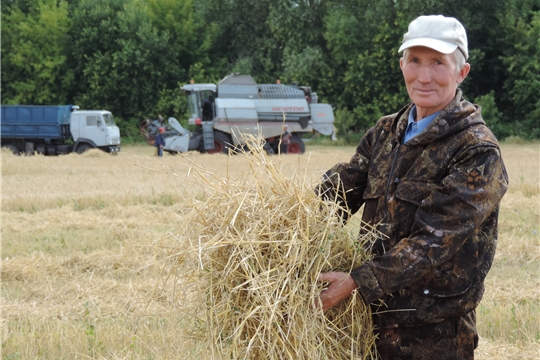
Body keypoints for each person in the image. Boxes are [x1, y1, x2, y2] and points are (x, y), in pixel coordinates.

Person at [316, 15, 508, 359]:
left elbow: (435, 240)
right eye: (415, 61)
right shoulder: (385, 133)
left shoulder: (476, 150)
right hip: (368, 325)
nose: (424, 76)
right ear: (401, 64)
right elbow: (334, 196)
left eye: (438, 63)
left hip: (434, 336)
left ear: (461, 72)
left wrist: (356, 281)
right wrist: (273, 229)